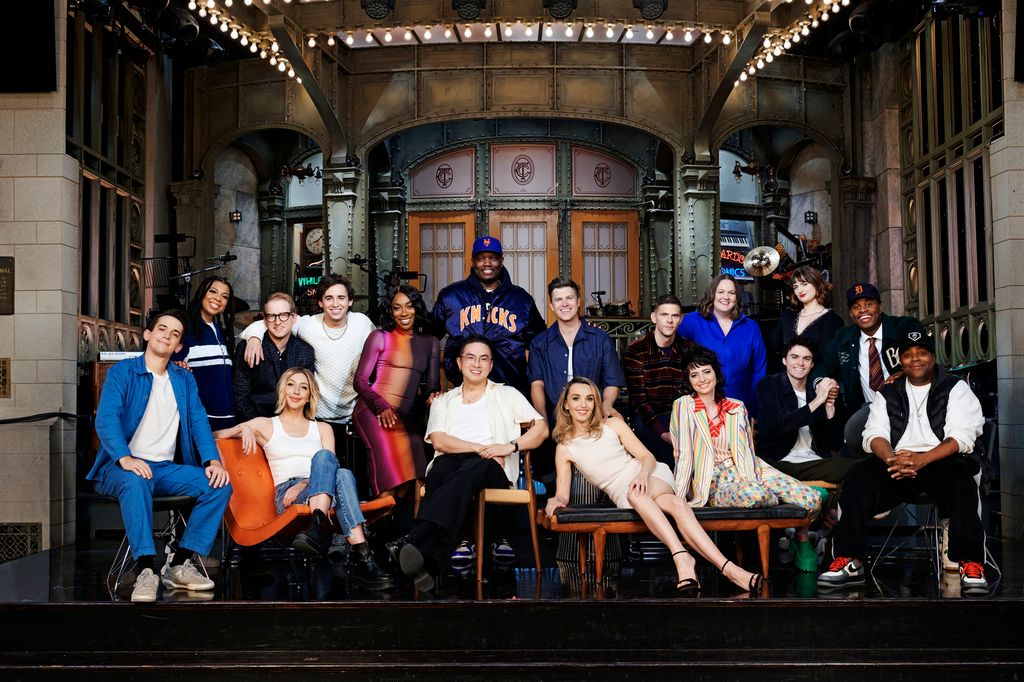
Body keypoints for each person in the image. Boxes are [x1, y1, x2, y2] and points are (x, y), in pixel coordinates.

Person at [546, 378, 763, 594]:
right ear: (566, 404)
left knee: (639, 495)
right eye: (576, 399)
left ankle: (682, 557)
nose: (583, 405)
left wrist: (641, 475)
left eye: (589, 398)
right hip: (624, 493)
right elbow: (563, 494)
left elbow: (646, 456)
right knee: (676, 504)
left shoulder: (612, 424)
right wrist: (556, 500)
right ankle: (730, 569)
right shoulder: (565, 448)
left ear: (595, 403)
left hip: (650, 474)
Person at [818, 330, 990, 595]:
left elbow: (961, 437)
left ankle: (971, 562)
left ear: (932, 357)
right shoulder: (888, 392)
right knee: (859, 476)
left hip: (940, 461)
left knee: (961, 476)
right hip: (897, 463)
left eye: (921, 353)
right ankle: (849, 560)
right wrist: (892, 459)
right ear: (901, 361)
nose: (915, 359)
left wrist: (922, 459)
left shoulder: (955, 388)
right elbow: (874, 433)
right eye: (908, 355)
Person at [89, 310, 231, 603]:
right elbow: (106, 420)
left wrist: (212, 460)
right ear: (148, 334)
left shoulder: (184, 379)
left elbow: (198, 421)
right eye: (162, 329)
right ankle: (145, 570)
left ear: (179, 346)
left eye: (175, 333)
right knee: (135, 482)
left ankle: (178, 563)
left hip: (164, 470)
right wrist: (125, 458)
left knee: (219, 485)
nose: (167, 335)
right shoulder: (123, 372)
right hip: (121, 468)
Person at [388, 335, 548, 593]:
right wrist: (477, 447)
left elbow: (541, 428)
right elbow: (439, 441)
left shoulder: (506, 394)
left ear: (491, 365)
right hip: (456, 462)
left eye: (484, 358)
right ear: (459, 363)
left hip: (492, 468)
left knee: (475, 467)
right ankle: (427, 560)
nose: (477, 363)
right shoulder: (444, 400)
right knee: (441, 469)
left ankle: (415, 540)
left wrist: (511, 446)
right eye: (470, 357)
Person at [215, 368, 393, 590]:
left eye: (304, 387)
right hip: (288, 497)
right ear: (282, 389)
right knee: (336, 468)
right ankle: (363, 559)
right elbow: (215, 436)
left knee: (336, 467)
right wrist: (244, 428)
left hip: (316, 489)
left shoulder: (322, 428)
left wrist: (305, 482)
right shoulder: (266, 424)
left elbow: (330, 467)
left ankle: (317, 531)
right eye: (291, 384)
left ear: (311, 395)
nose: (296, 391)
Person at [670, 347, 821, 517]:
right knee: (755, 495)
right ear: (688, 380)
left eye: (706, 372)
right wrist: (679, 498)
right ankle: (779, 516)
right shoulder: (683, 406)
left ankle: (787, 523)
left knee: (812, 499)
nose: (702, 379)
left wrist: (752, 480)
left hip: (748, 470)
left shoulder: (736, 407)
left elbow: (747, 452)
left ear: (716, 373)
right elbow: (683, 455)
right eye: (694, 375)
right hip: (714, 481)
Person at [240, 274, 375, 461]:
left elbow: (381, 352)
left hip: (354, 413)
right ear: (320, 303)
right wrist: (254, 337)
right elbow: (274, 320)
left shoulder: (363, 323)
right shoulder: (308, 324)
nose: (335, 304)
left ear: (350, 301)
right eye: (329, 298)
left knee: (356, 470)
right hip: (319, 416)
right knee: (322, 466)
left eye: (341, 298)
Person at [756, 335, 855, 570]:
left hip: (813, 460)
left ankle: (820, 526)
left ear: (812, 364)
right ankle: (819, 523)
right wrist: (816, 403)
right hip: (780, 461)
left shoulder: (816, 391)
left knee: (857, 469)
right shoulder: (769, 386)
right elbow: (776, 428)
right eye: (794, 357)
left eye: (806, 359)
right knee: (854, 468)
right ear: (784, 360)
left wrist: (830, 407)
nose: (800, 363)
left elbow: (832, 442)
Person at [809, 282, 926, 457]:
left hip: (910, 405)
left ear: (880, 306)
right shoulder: (843, 338)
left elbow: (924, 357)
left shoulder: (905, 327)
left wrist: (906, 373)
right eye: (856, 307)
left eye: (869, 304)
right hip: (869, 410)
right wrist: (823, 384)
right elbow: (820, 367)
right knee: (852, 444)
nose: (863, 310)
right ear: (851, 313)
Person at [353, 285, 441, 497]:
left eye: (409, 307)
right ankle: (375, 522)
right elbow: (360, 381)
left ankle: (387, 520)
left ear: (417, 309)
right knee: (390, 471)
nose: (403, 313)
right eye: (397, 308)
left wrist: (434, 395)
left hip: (407, 416)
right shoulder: (380, 337)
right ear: (390, 312)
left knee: (416, 472)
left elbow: (432, 386)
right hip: (374, 410)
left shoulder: (431, 343)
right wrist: (381, 405)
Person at [431, 235, 546, 395]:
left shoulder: (521, 299)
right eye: (480, 258)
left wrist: (577, 327)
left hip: (510, 391)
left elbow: (541, 342)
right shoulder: (451, 296)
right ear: (473, 261)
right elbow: (428, 337)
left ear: (501, 261)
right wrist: (433, 386)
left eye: (493, 258)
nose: (487, 263)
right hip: (464, 389)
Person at [528, 276, 625, 423]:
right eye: (558, 299)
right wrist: (542, 419)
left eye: (569, 298)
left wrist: (607, 405)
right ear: (552, 306)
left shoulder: (600, 339)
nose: (565, 304)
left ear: (578, 301)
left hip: (593, 419)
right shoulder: (539, 343)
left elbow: (612, 382)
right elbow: (537, 384)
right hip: (556, 421)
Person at [622, 294, 700, 468]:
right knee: (668, 458)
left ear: (681, 319)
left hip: (680, 414)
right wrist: (663, 433)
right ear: (653, 317)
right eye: (664, 315)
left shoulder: (689, 349)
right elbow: (639, 401)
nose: (669, 320)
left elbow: (694, 392)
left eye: (675, 316)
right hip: (649, 417)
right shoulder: (635, 351)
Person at [678, 274, 767, 417]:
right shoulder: (693, 321)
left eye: (731, 293)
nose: (726, 297)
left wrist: (755, 409)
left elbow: (759, 370)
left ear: (737, 297)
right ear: (712, 294)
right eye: (721, 292)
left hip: (740, 406)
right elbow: (669, 339)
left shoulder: (751, 328)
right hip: (702, 406)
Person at [233, 292, 315, 422]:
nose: (277, 322)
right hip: (254, 422)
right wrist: (259, 426)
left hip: (291, 424)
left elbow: (305, 397)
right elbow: (240, 396)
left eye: (284, 315)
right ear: (265, 320)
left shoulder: (305, 351)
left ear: (293, 318)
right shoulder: (247, 348)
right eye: (271, 316)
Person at [173, 275, 237, 430]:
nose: (218, 299)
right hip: (201, 419)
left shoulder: (223, 333)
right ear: (202, 293)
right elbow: (170, 368)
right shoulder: (186, 330)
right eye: (213, 292)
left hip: (229, 417)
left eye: (224, 296)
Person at [769, 266, 844, 372]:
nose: (800, 290)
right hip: (786, 381)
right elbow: (773, 349)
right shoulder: (787, 317)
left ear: (817, 284)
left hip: (815, 382)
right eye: (795, 287)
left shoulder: (832, 321)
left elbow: (828, 361)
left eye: (804, 284)